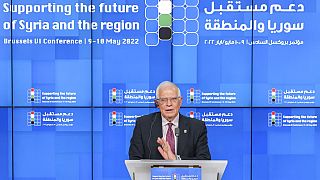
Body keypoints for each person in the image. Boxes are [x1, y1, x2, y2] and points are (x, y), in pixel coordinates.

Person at [129, 81, 211, 160]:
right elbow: (135, 159)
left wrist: (176, 160)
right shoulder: (143, 124)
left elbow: (204, 160)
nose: (169, 104)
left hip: (185, 174)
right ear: (157, 103)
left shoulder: (197, 127)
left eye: (173, 99)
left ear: (180, 101)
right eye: (163, 100)